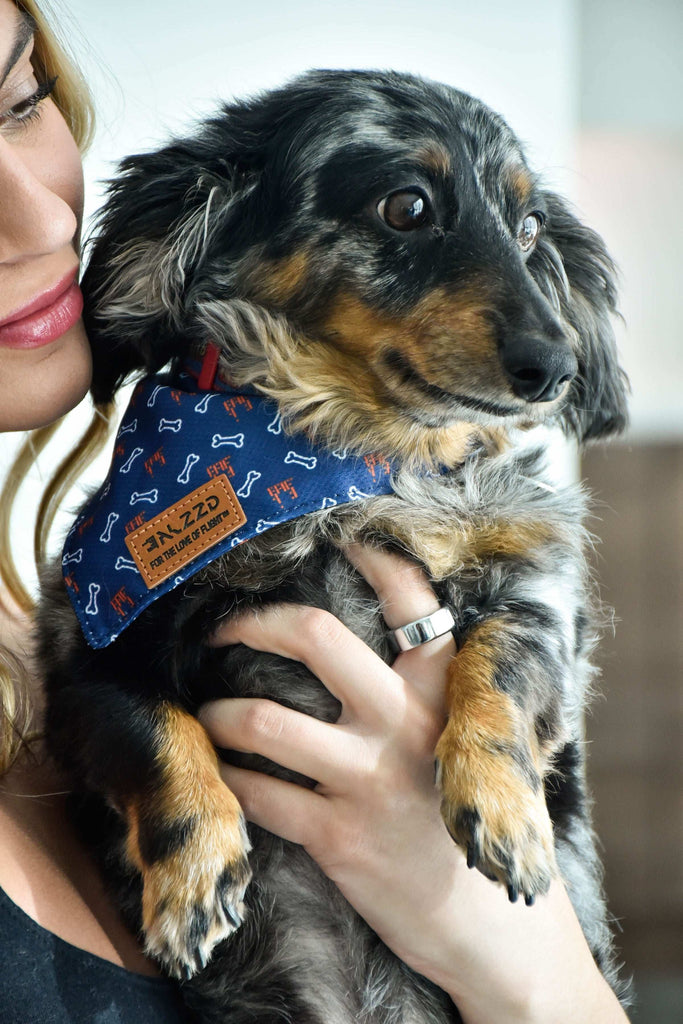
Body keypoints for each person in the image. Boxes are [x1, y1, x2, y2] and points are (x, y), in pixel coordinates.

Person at [0, 1, 630, 1021]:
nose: (40, 222)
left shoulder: (106, 567)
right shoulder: (113, 597)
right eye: (402, 214)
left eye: (23, 100)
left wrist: (515, 959)